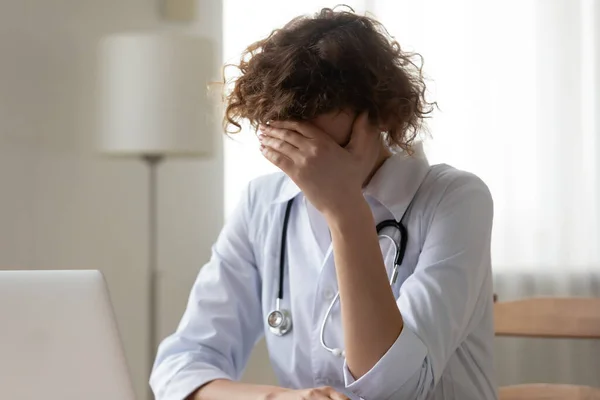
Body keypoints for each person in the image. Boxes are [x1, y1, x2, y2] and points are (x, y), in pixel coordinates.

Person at [150, 6, 497, 400]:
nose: (305, 164)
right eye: (289, 140)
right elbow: (180, 365)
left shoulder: (455, 200)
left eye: (324, 146)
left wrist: (346, 211)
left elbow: (396, 388)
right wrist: (278, 399)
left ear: (380, 115)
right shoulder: (263, 204)